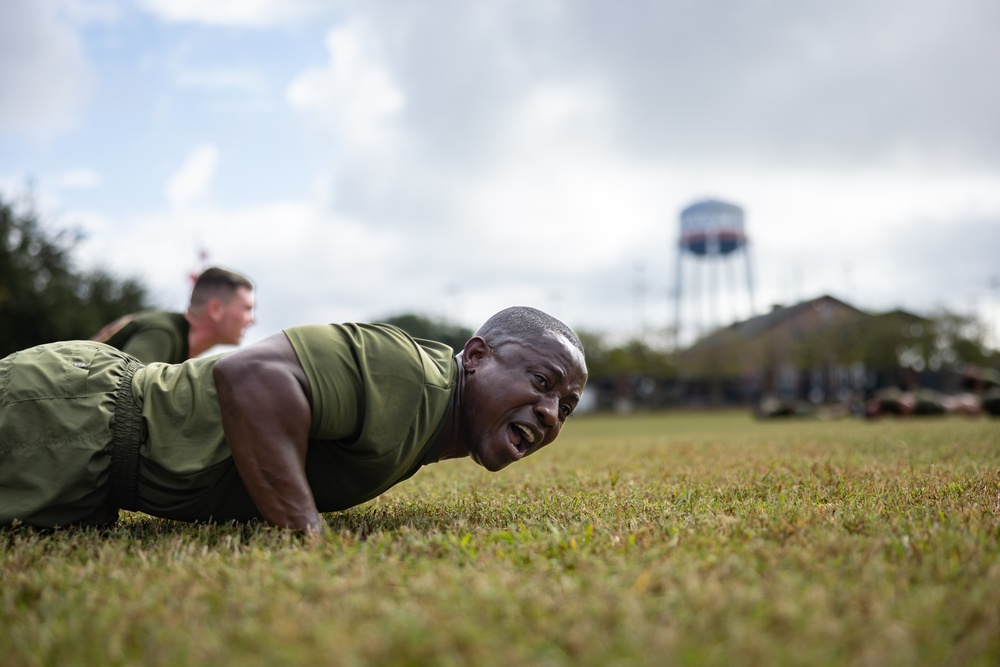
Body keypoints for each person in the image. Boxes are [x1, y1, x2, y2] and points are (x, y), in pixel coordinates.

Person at [0, 306, 588, 533]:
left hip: (87, 467)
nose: (549, 413)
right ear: (478, 357)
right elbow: (250, 378)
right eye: (541, 382)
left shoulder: (432, 417)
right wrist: (303, 530)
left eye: (565, 405)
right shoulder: (412, 376)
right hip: (62, 419)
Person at [91, 267, 255, 364]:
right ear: (215, 310)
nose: (252, 320)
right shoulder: (162, 333)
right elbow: (123, 396)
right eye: (247, 309)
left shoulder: (175, 340)